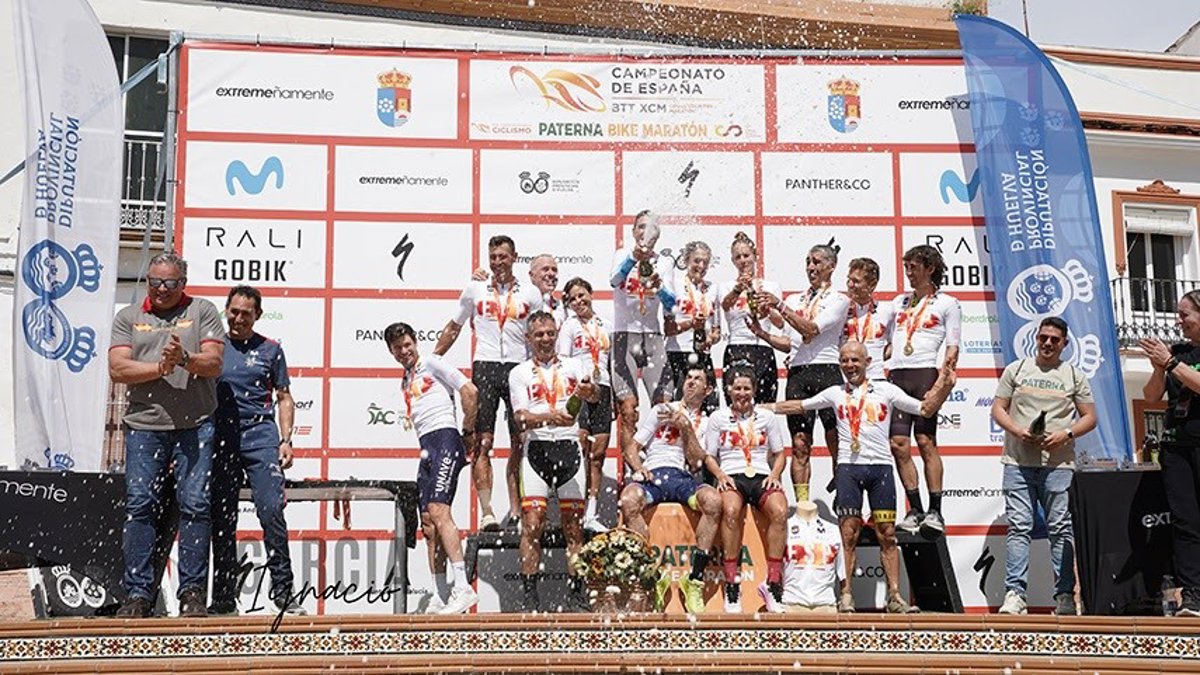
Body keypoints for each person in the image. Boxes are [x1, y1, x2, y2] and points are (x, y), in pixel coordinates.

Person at [772, 341, 955, 613]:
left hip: (881, 470)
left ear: (868, 362)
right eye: (844, 360)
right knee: (848, 534)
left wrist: (944, 387)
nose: (850, 365)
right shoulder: (835, 392)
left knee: (887, 534)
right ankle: (846, 594)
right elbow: (799, 405)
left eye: (855, 360)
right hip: (848, 470)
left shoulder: (887, 390)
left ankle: (894, 596)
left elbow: (925, 410)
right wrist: (761, 408)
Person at [108, 252, 225, 618]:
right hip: (145, 426)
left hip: (196, 425)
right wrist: (160, 368)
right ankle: (138, 594)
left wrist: (185, 359)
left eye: (170, 283)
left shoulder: (203, 311)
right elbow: (117, 369)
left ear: (182, 283)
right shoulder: (128, 316)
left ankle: (192, 593)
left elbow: (214, 363)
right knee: (140, 505)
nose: (161, 289)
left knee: (196, 505)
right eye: (155, 282)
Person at [435, 235, 543, 530]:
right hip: (485, 365)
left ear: (514, 257)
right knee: (483, 442)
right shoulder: (475, 288)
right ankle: (487, 513)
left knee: (520, 442)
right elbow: (455, 326)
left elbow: (541, 332)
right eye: (493, 257)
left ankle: (517, 511)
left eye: (503, 256)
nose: (497, 262)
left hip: (519, 368)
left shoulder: (531, 293)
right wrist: (432, 358)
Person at [992, 316, 1096, 617]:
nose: (1047, 343)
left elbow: (1090, 417)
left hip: (1058, 466)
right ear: (1036, 339)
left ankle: (1065, 596)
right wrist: (1017, 430)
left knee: (1060, 530)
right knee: (1019, 528)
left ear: (1065, 344)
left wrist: (1066, 433)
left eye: (1054, 339)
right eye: (1043, 337)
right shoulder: (1017, 369)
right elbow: (998, 408)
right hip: (1018, 462)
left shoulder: (1073, 375)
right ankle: (1015, 595)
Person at [209, 285, 302, 616]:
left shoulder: (271, 349)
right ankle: (223, 596)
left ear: (257, 315)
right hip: (221, 437)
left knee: (271, 510)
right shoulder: (213, 347)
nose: (238, 318)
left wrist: (286, 440)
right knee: (222, 516)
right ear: (226, 310)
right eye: (233, 311)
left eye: (246, 313)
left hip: (260, 436)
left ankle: (284, 592)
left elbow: (284, 397)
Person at [386, 322, 480, 614]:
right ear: (391, 352)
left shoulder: (431, 362)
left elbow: (470, 391)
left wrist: (467, 431)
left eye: (407, 344)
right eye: (398, 348)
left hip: (445, 439)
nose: (404, 351)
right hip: (427, 446)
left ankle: (463, 588)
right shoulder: (406, 378)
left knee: (439, 511)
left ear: (415, 341)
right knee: (428, 523)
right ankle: (440, 594)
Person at [509, 311, 598, 611]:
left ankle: (577, 596)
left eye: (550, 333)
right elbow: (520, 418)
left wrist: (590, 391)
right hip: (537, 451)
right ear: (528, 338)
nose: (545, 339)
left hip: (569, 448)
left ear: (557, 334)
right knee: (532, 525)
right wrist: (550, 417)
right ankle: (529, 597)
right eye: (539, 335)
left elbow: (595, 395)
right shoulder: (519, 372)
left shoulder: (575, 364)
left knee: (574, 528)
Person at [618, 366, 722, 614]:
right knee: (629, 500)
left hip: (682, 478)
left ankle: (694, 579)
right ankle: (651, 576)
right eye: (688, 378)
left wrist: (686, 427)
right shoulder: (662, 410)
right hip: (653, 475)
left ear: (708, 390)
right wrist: (639, 467)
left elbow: (696, 462)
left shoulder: (708, 422)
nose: (691, 382)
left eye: (698, 379)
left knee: (713, 502)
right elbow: (631, 448)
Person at [756, 244, 849, 504]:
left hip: (827, 371)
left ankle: (844, 500)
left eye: (817, 262)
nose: (811, 267)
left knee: (836, 442)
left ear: (831, 266)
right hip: (798, 373)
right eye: (808, 262)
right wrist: (762, 334)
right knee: (799, 445)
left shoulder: (839, 300)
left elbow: (810, 330)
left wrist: (779, 306)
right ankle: (803, 505)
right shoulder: (795, 300)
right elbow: (791, 343)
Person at [888, 245, 961, 537]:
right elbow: (885, 340)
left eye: (914, 267)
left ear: (930, 268)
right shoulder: (899, 302)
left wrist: (939, 386)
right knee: (898, 444)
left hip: (925, 374)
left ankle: (935, 511)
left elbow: (952, 349)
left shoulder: (948, 303)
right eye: (906, 267)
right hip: (896, 375)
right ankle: (915, 508)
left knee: (925, 441)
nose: (909, 272)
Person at [703, 367, 789, 614]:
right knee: (730, 511)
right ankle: (732, 585)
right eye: (737, 388)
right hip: (732, 475)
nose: (742, 393)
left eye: (746, 388)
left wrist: (774, 475)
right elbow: (709, 456)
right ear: (729, 390)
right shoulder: (718, 418)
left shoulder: (767, 417)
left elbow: (780, 454)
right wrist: (720, 475)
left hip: (761, 475)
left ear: (754, 390)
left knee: (780, 511)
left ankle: (773, 583)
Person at [1140, 290, 1200, 618]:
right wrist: (1157, 368)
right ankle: (1193, 596)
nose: (1179, 321)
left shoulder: (1174, 358)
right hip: (1176, 447)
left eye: (1185, 314)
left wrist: (1171, 363)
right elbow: (1151, 397)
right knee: (1185, 521)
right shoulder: (1176, 353)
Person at [610, 210, 677, 468]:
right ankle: (634, 469)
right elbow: (615, 280)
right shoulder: (622, 253)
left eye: (649, 228)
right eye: (639, 227)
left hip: (652, 336)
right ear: (633, 231)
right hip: (623, 336)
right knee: (628, 409)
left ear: (657, 235)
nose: (643, 232)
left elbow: (672, 304)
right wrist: (633, 259)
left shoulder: (664, 262)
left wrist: (659, 287)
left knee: (663, 406)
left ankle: (662, 463)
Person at [557, 277, 613, 534]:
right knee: (579, 450)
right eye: (573, 299)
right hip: (580, 389)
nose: (578, 301)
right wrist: (577, 387)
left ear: (591, 294)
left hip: (603, 389)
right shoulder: (569, 326)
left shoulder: (605, 324)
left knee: (598, 455)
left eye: (582, 295)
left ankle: (592, 513)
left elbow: (610, 361)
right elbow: (563, 362)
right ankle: (572, 511)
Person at [718, 232, 784, 405]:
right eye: (738, 257)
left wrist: (767, 309)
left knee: (765, 406)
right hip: (736, 348)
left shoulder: (771, 286)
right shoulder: (726, 286)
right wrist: (738, 289)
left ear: (755, 256)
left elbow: (779, 323)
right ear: (733, 261)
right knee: (736, 405)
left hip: (763, 348)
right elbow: (725, 305)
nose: (743, 260)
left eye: (746, 255)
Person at [663, 241, 721, 414]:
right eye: (696, 261)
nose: (701, 266)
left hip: (703, 356)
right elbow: (668, 329)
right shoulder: (674, 284)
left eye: (705, 262)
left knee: (710, 409)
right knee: (677, 410)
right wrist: (691, 324)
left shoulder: (713, 288)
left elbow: (717, 331)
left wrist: (710, 339)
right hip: (677, 353)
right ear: (686, 260)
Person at [780, 500, 844, 613]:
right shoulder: (783, 528)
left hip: (826, 605)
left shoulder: (833, 530)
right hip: (791, 604)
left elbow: (843, 572)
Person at [843, 258, 895, 383]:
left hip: (875, 378)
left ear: (872, 284)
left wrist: (876, 357)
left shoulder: (887, 310)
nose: (850, 285)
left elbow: (895, 343)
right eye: (849, 279)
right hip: (845, 380)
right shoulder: (840, 310)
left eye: (856, 281)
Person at [530, 254, 568, 325]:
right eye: (545, 269)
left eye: (554, 270)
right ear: (532, 275)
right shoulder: (522, 302)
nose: (551, 274)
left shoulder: (562, 306)